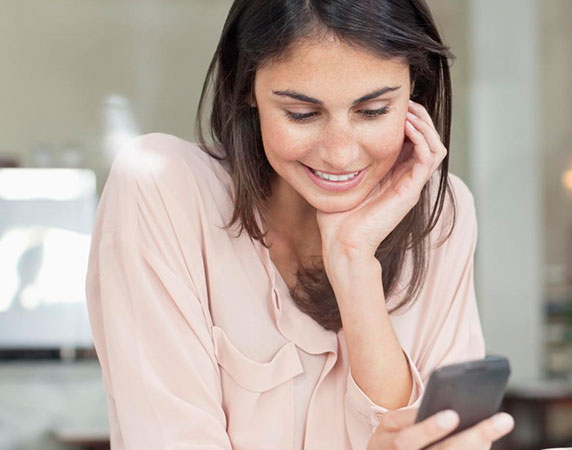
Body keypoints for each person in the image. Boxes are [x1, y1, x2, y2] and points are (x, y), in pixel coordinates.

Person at [85, 0, 514, 448]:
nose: (341, 155)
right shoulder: (161, 187)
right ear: (246, 87)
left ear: (414, 94)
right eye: (302, 114)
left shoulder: (441, 214)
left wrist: (354, 264)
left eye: (374, 111)